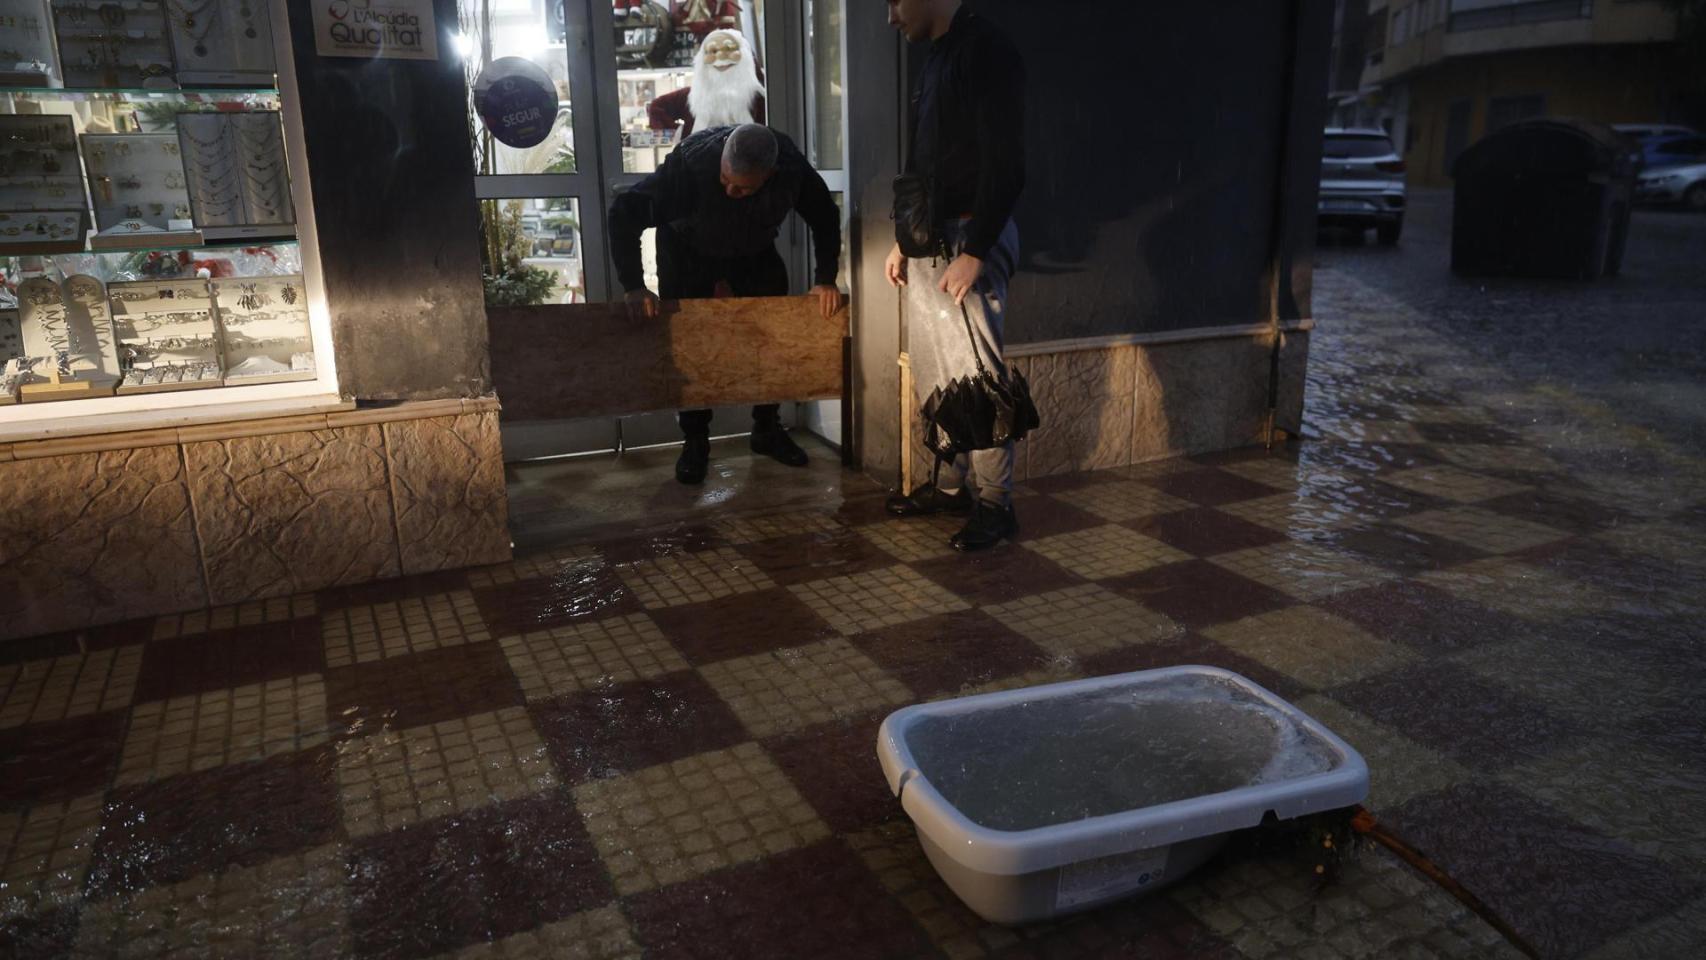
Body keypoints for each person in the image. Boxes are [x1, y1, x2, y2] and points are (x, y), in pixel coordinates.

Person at [609, 123, 845, 485]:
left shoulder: (791, 169)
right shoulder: (687, 171)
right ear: (720, 162)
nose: (731, 189)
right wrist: (634, 286)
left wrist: (825, 278)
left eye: (743, 187)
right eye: (725, 180)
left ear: (770, 175)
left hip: (753, 248)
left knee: (772, 335)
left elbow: (825, 215)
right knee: (693, 344)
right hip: (687, 250)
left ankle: (766, 428)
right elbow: (624, 212)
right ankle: (696, 440)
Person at [882, 0, 1027, 551]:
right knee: (939, 372)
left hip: (968, 237)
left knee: (978, 375)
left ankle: (996, 505)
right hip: (933, 237)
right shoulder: (941, 55)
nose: (890, 17)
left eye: (894, 2)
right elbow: (928, 161)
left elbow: (1007, 162)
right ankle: (950, 489)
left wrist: (979, 249)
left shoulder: (986, 49)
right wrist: (905, 239)